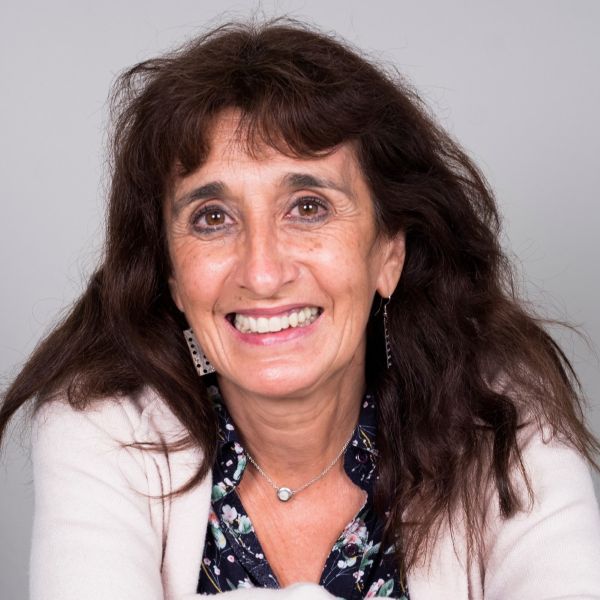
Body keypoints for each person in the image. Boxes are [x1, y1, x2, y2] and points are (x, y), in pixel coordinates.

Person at [1, 17, 600, 600]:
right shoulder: (105, 426)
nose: (262, 273)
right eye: (212, 218)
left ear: (388, 254)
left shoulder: (503, 420)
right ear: (174, 278)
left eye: (308, 207)